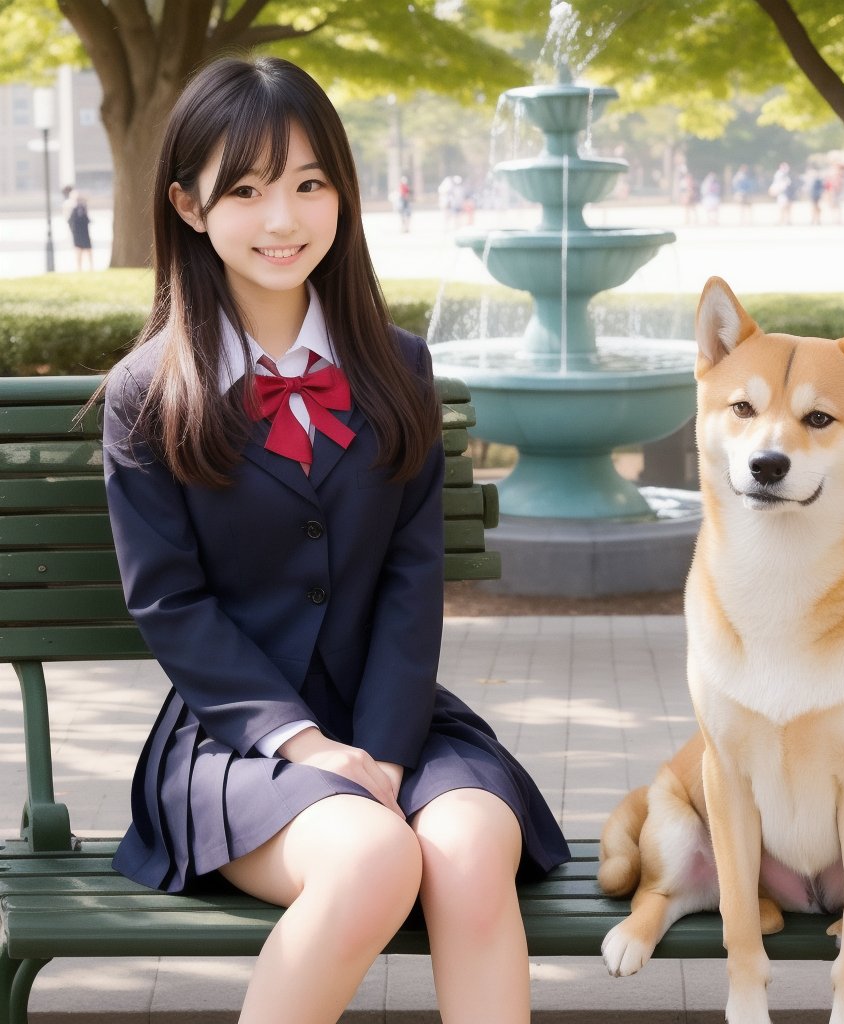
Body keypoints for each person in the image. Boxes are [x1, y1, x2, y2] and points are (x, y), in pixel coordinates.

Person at [98, 55, 569, 1024]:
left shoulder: (396, 367)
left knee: (472, 847)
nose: (284, 219)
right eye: (247, 188)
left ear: (344, 195)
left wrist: (385, 754)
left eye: (310, 184)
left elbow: (412, 574)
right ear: (188, 205)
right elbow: (169, 603)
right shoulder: (149, 394)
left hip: (399, 718)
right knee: (371, 856)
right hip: (237, 740)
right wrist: (305, 741)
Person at [67, 189, 93, 270]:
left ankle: (89, 267)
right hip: (79, 233)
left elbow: (86, 219)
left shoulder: (82, 208)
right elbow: (70, 221)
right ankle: (80, 267)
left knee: (86, 250)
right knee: (80, 251)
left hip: (82, 232)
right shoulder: (73, 208)